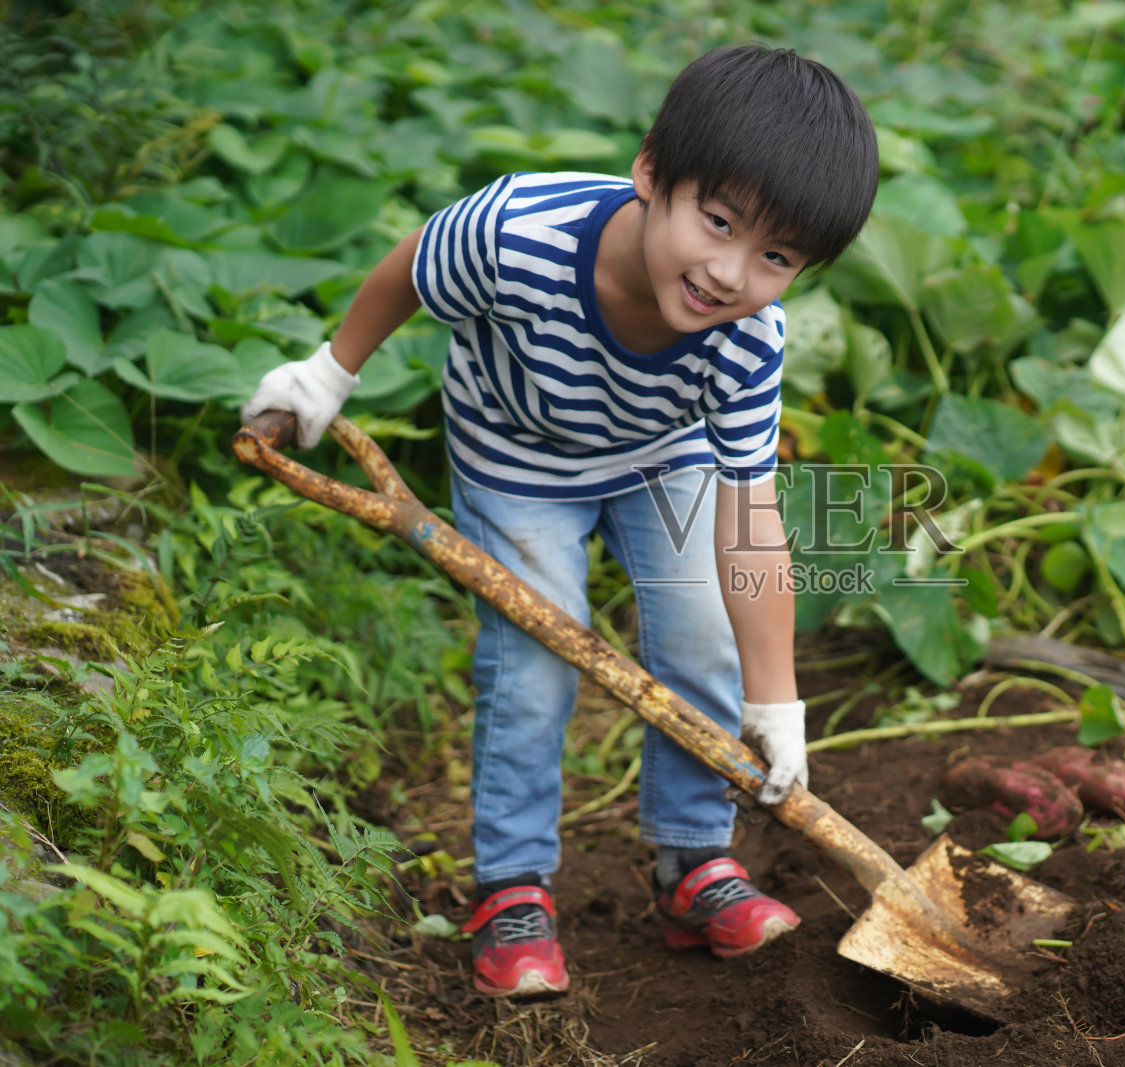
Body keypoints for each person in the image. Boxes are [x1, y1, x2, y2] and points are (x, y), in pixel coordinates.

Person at [241, 43, 879, 998]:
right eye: (717, 221)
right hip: (515, 459)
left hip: (662, 460)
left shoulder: (749, 337)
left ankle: (694, 864)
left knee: (704, 630)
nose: (729, 272)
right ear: (652, 171)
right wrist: (329, 373)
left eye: (776, 256)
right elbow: (415, 267)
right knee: (535, 660)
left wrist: (776, 701)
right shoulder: (517, 232)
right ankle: (511, 888)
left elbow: (751, 521)